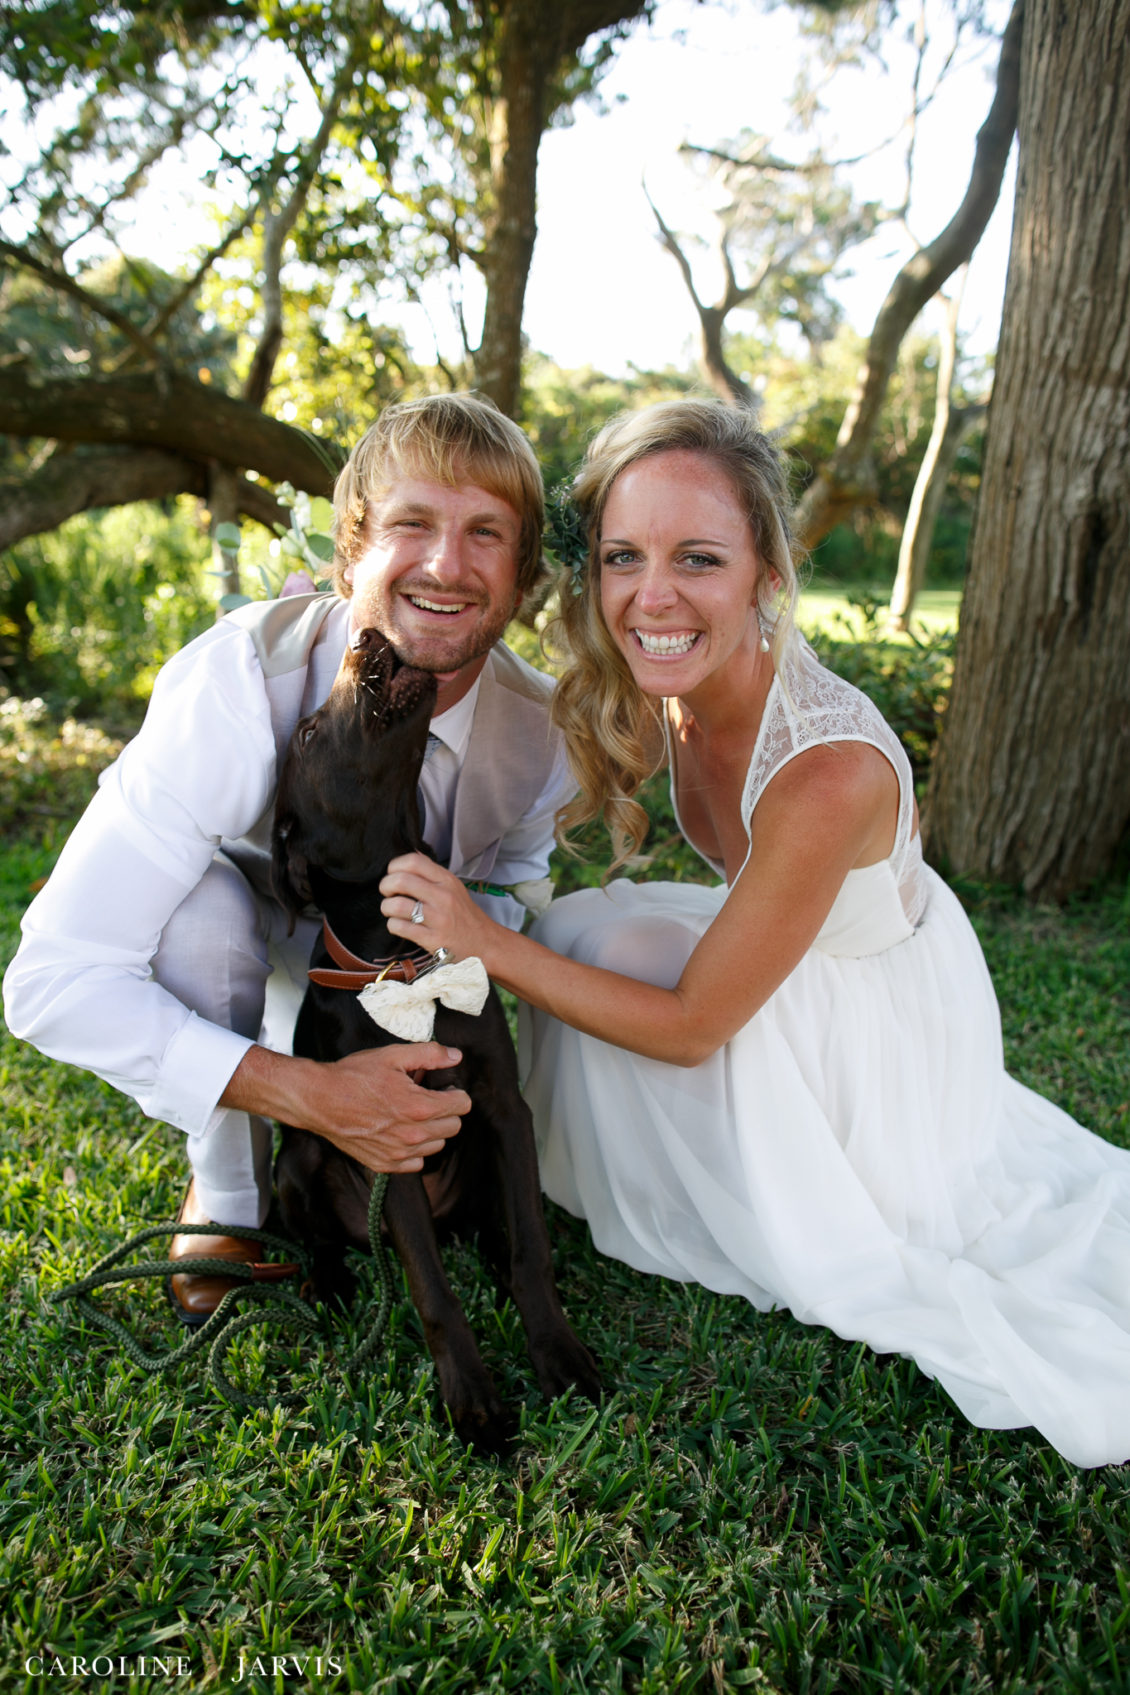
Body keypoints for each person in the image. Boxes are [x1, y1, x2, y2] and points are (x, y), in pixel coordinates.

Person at [378, 398, 1130, 1470]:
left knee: (590, 959)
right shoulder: (671, 685)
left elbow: (689, 1027)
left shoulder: (824, 773)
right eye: (622, 557)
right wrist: (358, 625)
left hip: (872, 1018)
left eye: (697, 558)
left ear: (766, 573)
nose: (653, 595)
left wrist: (480, 940)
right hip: (797, 950)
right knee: (593, 928)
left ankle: (741, 1174)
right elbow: (530, 710)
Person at [3, 393, 575, 1322]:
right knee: (198, 917)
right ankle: (231, 1197)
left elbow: (512, 886)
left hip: (381, 971)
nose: (446, 564)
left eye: (486, 533)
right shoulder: (233, 686)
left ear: (521, 576)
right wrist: (310, 1092)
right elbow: (52, 982)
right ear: (351, 550)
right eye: (412, 523)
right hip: (249, 946)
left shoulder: (543, 733)